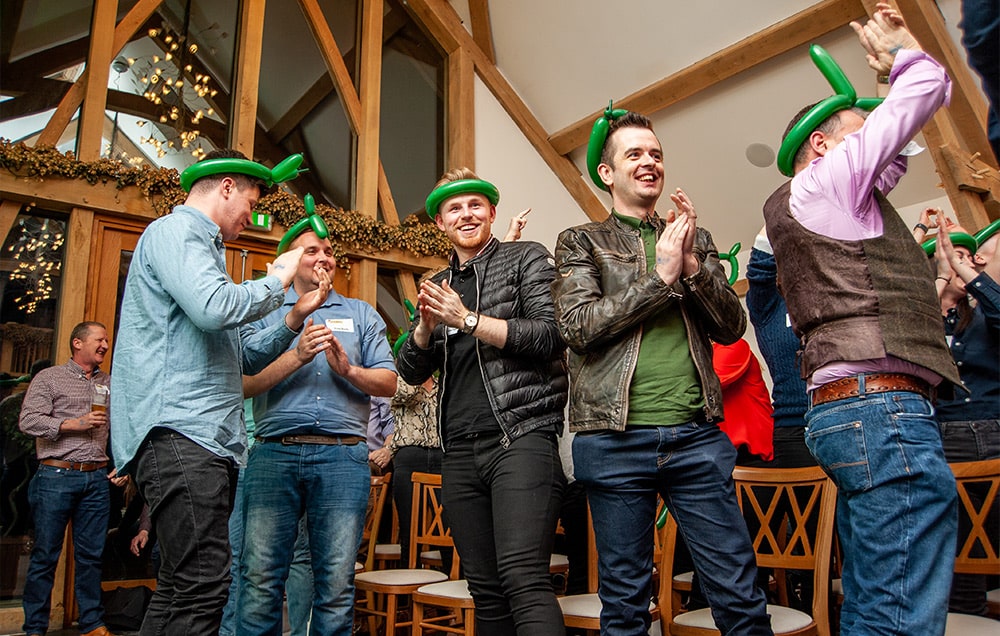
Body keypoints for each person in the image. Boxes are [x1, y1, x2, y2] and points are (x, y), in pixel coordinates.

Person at [762, 6, 963, 634]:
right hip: (882, 411)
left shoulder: (809, 201)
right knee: (898, 612)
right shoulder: (827, 181)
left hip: (849, 410)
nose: (878, 135)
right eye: (861, 129)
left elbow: (894, 155)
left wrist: (877, 98)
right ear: (821, 144)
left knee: (879, 596)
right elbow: (929, 88)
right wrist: (904, 54)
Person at [550, 108, 771, 635]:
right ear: (607, 173)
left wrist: (693, 269)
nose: (649, 162)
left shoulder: (695, 238)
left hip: (695, 438)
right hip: (614, 439)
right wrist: (661, 277)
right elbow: (579, 326)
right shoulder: (581, 242)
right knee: (625, 604)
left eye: (656, 154)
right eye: (634, 154)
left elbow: (729, 326)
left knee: (740, 595)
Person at [110, 149, 313, 634]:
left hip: (200, 439)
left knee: (184, 586)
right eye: (251, 200)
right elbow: (213, 308)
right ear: (226, 186)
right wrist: (277, 277)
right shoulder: (176, 232)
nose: (252, 215)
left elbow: (239, 355)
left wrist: (292, 318)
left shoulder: (207, 255)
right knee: (203, 585)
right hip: (182, 432)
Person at [396, 168, 568, 635]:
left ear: (492, 212)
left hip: (521, 438)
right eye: (454, 208)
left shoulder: (525, 258)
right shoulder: (435, 282)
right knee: (485, 590)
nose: (466, 214)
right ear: (440, 223)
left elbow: (552, 335)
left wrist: (467, 319)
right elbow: (411, 371)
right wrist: (425, 328)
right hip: (459, 452)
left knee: (524, 579)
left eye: (475, 205)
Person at [237, 218, 397, 636]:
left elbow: (389, 381)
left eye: (328, 251)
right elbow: (243, 383)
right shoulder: (265, 309)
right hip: (275, 452)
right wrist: (296, 356)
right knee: (259, 579)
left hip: (344, 457)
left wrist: (349, 370)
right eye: (312, 250)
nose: (324, 257)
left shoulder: (361, 313)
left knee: (337, 583)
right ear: (289, 260)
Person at [19, 322, 115, 636]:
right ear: (78, 343)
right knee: (46, 554)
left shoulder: (109, 383)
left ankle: (92, 623)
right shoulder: (49, 378)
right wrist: (74, 423)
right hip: (55, 475)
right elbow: (29, 421)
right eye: (99, 340)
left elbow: (121, 426)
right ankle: (35, 628)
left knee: (91, 556)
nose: (104, 345)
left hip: (96, 479)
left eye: (106, 340)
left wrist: (123, 464)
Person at [926, 220, 999, 615]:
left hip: (995, 427)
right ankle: (968, 616)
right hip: (947, 439)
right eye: (951, 256)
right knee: (964, 547)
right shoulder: (926, 322)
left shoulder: (986, 315)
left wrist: (970, 275)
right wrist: (937, 279)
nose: (960, 261)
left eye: (968, 256)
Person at [744, 229, 816, 469]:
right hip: (793, 429)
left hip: (842, 418)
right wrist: (777, 218)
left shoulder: (827, 301)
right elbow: (758, 270)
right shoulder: (768, 307)